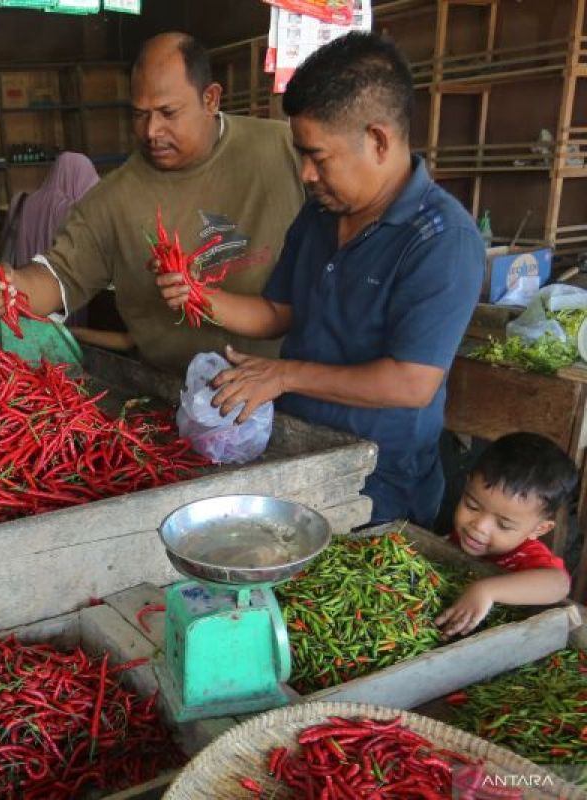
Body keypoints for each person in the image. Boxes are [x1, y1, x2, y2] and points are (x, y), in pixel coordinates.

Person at [161, 32, 482, 526]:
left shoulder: (441, 240)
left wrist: (283, 375)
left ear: (378, 140)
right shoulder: (319, 215)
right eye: (301, 156)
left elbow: (411, 382)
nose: (307, 174)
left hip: (380, 477)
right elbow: (277, 314)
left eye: (318, 156)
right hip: (299, 451)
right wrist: (201, 296)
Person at [0, 32, 304, 375]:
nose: (151, 131)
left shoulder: (284, 150)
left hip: (285, 385)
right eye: (139, 114)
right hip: (173, 391)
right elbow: (60, 277)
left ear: (211, 99)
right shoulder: (114, 199)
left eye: (167, 112)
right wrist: (13, 288)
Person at [436, 433, 575, 637]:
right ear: (466, 486)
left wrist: (487, 590)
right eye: (472, 505)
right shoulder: (467, 536)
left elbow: (559, 584)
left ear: (539, 529)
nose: (479, 526)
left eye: (503, 524)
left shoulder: (528, 556)